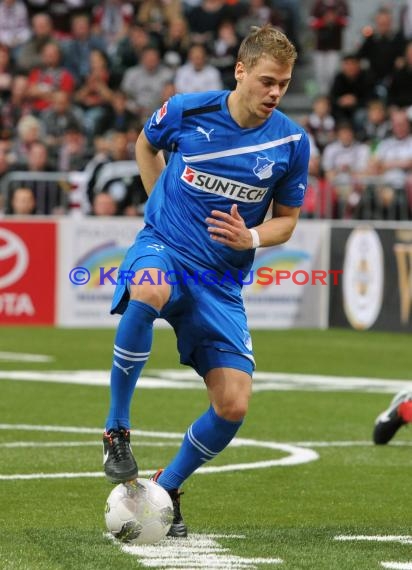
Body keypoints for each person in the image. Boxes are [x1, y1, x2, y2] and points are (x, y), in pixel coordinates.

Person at [102, 25, 309, 538]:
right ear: (240, 71)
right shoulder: (186, 110)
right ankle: (116, 430)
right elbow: (145, 145)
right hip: (165, 250)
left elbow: (288, 220)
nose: (274, 93)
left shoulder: (290, 141)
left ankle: (166, 486)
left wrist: (253, 239)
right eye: (266, 81)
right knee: (148, 289)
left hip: (219, 281)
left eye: (283, 84)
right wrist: (158, 207)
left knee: (234, 404)